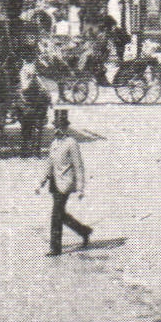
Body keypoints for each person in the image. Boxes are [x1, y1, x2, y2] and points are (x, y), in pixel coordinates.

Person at [38, 109, 92, 254]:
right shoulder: (54, 143)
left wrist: (80, 188)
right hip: (54, 183)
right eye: (56, 126)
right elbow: (50, 163)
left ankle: (55, 248)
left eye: (60, 126)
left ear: (66, 127)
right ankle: (84, 231)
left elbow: (78, 166)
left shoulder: (71, 143)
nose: (57, 129)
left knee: (56, 215)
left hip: (65, 184)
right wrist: (42, 181)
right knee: (60, 214)